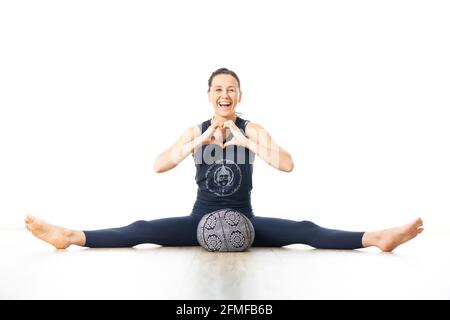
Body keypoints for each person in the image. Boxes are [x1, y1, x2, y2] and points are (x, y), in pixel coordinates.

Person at [24, 68, 424, 252]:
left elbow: (287, 164)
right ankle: (71, 236)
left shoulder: (253, 128)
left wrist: (246, 142)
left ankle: (376, 238)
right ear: (210, 95)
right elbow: (159, 165)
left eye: (232, 89)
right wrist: (200, 139)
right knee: (141, 228)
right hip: (198, 222)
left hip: (245, 223)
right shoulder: (195, 129)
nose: (225, 94)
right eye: (218, 89)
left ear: (240, 96)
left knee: (305, 229)